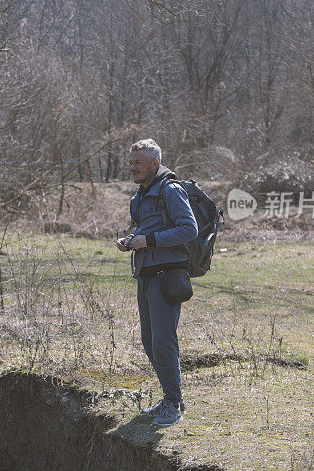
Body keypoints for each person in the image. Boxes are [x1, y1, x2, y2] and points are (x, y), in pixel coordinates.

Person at [116, 139, 198, 427]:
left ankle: (173, 405)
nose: (132, 167)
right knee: (150, 341)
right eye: (131, 162)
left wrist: (148, 241)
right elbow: (146, 229)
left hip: (167, 276)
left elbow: (189, 229)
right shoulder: (141, 194)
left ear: (155, 164)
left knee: (163, 341)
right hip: (145, 273)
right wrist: (130, 240)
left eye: (138, 162)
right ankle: (170, 398)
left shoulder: (170, 190)